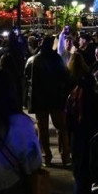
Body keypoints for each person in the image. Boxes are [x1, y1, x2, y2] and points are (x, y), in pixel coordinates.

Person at [65, 53, 98, 194]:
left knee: (80, 174)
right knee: (87, 174)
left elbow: (68, 122)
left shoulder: (73, 96)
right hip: (90, 138)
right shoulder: (94, 98)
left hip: (78, 138)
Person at [24, 35, 72, 166]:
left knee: (42, 130)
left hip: (39, 99)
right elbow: (65, 76)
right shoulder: (57, 58)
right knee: (61, 128)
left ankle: (46, 157)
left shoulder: (33, 59)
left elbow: (26, 76)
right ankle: (65, 156)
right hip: (56, 98)